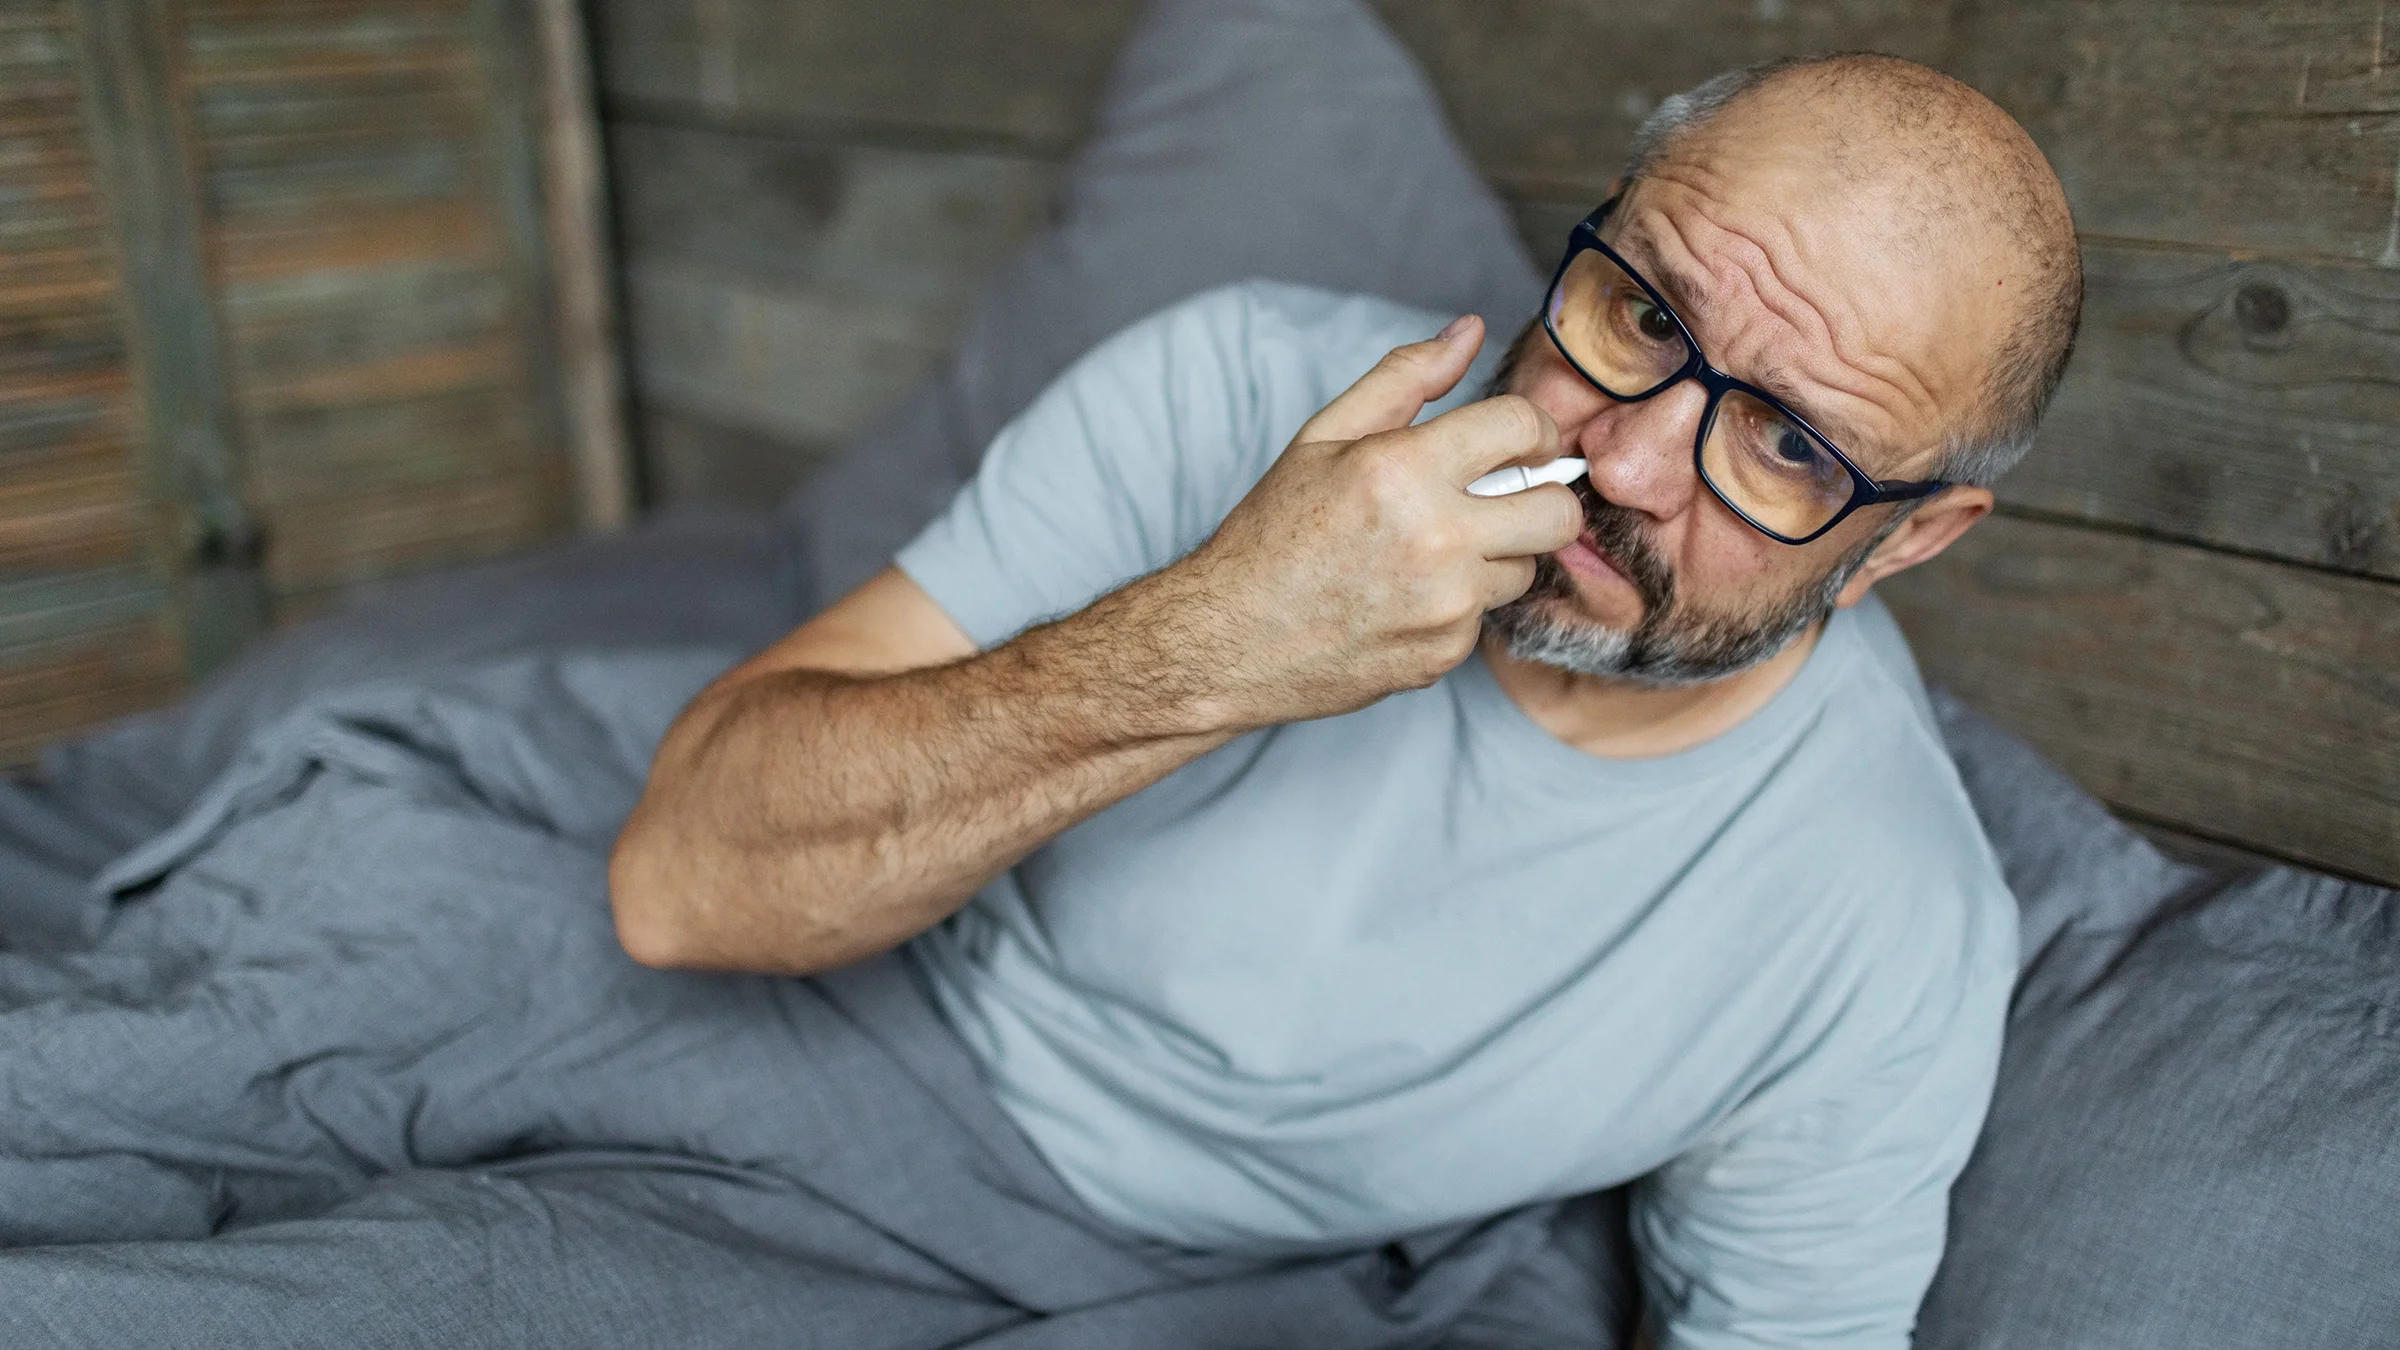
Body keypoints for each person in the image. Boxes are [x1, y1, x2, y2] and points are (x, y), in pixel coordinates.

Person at [612, 52, 2083, 1349]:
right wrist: (1219, 634)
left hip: (1285, 1293)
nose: (1625, 465)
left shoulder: (1887, 917)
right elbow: (681, 884)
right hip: (871, 1044)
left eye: (1789, 446)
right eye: (1644, 314)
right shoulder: (1232, 379)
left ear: (1902, 541)